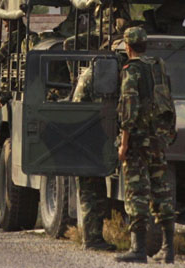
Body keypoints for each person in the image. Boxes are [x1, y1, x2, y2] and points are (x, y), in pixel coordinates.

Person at [115, 27, 175, 264]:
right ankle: (168, 250)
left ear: (128, 47)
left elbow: (129, 112)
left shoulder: (132, 71)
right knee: (162, 191)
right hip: (158, 140)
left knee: (137, 193)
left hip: (139, 142)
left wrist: (124, 144)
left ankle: (138, 250)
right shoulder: (158, 67)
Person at [72, 63, 117, 252]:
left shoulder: (95, 73)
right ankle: (91, 240)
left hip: (89, 139)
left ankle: (94, 237)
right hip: (87, 141)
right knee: (90, 191)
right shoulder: (98, 76)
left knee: (95, 190)